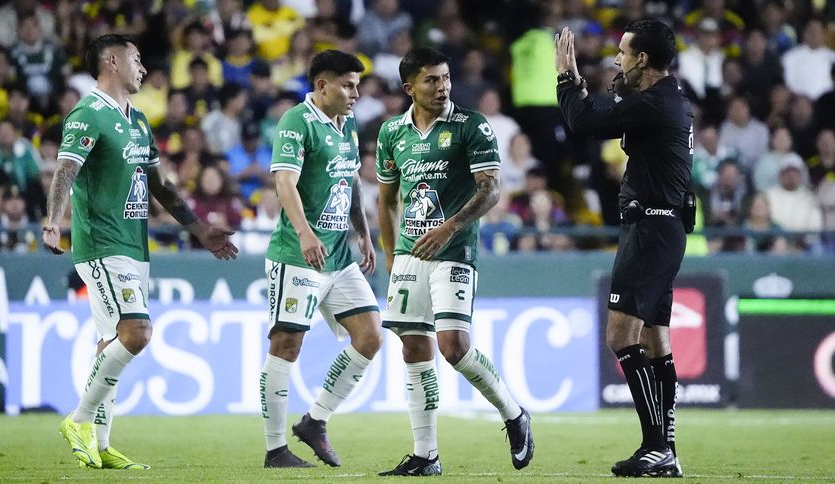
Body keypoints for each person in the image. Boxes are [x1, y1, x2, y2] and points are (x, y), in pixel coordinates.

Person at [42, 34, 238, 470]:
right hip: (102, 244)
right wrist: (53, 220)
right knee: (137, 333)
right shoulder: (88, 113)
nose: (143, 68)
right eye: (136, 58)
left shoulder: (138, 121)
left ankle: (102, 443)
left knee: (111, 342)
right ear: (111, 61)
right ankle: (79, 420)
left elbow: (161, 185)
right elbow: (65, 170)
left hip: (134, 245)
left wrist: (198, 229)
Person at [375, 47, 534, 477]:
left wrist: (449, 227)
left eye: (445, 78)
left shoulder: (471, 125)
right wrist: (392, 257)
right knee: (413, 347)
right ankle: (426, 455)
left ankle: (514, 413)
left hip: (455, 249)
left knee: (453, 346)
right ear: (409, 87)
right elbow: (386, 199)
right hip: (410, 253)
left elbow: (491, 190)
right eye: (431, 80)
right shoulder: (392, 133)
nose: (443, 86)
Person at [555, 19, 691, 477]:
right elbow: (612, 105)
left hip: (651, 230)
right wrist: (591, 87)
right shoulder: (666, 99)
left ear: (643, 59)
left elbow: (584, 121)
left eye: (623, 52)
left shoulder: (655, 104)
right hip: (661, 228)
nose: (616, 59)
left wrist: (565, 79)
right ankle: (665, 446)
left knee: (620, 337)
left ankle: (656, 446)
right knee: (656, 337)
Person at [260, 49, 382, 469]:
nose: (355, 93)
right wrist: (306, 233)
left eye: (357, 85)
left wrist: (364, 234)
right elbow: (284, 183)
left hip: (340, 256)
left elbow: (349, 183)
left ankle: (315, 421)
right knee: (286, 345)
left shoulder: (346, 127)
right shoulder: (297, 121)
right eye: (348, 85)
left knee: (370, 336)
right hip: (298, 255)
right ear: (322, 85)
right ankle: (276, 450)